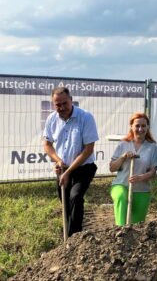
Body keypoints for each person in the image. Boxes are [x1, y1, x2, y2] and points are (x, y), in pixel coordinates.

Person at [43, 87, 98, 237]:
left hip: (83, 167)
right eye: (57, 105)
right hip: (62, 168)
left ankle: (75, 238)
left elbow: (88, 149)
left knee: (75, 196)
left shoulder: (86, 117)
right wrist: (59, 161)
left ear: (71, 100)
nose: (61, 108)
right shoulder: (52, 119)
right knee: (66, 203)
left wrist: (69, 171)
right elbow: (47, 145)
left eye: (64, 103)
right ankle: (68, 237)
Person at [109, 112, 157, 226]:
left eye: (143, 125)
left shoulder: (152, 147)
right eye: (137, 125)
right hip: (121, 184)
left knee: (137, 226)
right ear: (131, 127)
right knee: (121, 197)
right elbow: (112, 168)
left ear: (147, 127)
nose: (140, 129)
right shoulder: (123, 144)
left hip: (142, 189)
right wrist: (123, 157)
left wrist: (141, 177)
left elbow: (153, 171)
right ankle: (120, 231)